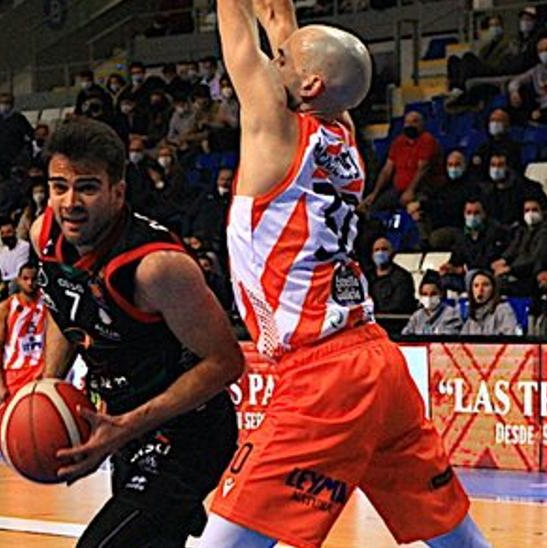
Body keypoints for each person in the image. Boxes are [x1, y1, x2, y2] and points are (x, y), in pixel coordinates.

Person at [204, 1, 485, 546]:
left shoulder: (274, 127)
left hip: (322, 372)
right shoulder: (342, 129)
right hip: (379, 364)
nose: (272, 60)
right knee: (456, 538)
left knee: (226, 543)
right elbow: (280, 21)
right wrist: (279, 20)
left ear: (307, 85)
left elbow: (238, 32)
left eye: (280, 60)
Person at [30, 118, 244, 546]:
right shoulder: (45, 235)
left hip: (189, 433)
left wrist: (126, 426)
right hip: (123, 427)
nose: (70, 202)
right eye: (59, 187)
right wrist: (48, 384)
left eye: (87, 187)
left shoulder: (157, 267)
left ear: (117, 191)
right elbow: (61, 304)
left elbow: (226, 362)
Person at [363, 111, 440, 212]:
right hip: (397, 189)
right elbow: (387, 170)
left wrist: (410, 190)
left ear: (422, 124)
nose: (410, 125)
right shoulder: (398, 142)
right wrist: (374, 193)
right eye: (407, 122)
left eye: (414, 122)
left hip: (421, 189)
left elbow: (423, 169)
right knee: (374, 208)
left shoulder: (427, 140)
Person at [0, 263, 45, 403]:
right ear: (18, 280)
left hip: (41, 369)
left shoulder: (48, 303)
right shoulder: (6, 307)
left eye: (33, 279)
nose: (30, 283)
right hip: (15, 373)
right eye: (25, 279)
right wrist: (0, 384)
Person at [439, 199, 509, 292]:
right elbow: (456, 258)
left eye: (476, 213)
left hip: (488, 276)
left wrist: (462, 269)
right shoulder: (461, 235)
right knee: (443, 280)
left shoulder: (495, 232)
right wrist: (449, 267)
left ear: (484, 214)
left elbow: (490, 261)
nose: (472, 216)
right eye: (469, 212)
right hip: (467, 277)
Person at [493, 198, 547, 297]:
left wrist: (510, 269)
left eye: (534, 210)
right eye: (527, 210)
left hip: (530, 275)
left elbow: (536, 258)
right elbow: (513, 249)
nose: (530, 213)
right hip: (515, 272)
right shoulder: (522, 230)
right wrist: (503, 260)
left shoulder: (546, 233)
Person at [460, 269, 520, 336]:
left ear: (494, 289)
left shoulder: (503, 310)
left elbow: (510, 338)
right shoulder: (472, 316)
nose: (480, 289)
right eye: (476, 285)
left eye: (485, 285)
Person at [0, 92, 34, 173]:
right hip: (0, 160)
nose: (3, 106)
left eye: (6, 103)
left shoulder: (19, 119)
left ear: (11, 104)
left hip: (14, 158)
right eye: (1, 103)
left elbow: (29, 135)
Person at [369, 237, 416, 314]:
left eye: (384, 249)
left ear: (391, 252)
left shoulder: (403, 277)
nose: (380, 253)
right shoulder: (367, 277)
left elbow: (399, 305)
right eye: (376, 250)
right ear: (372, 255)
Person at [0, 220, 31, 286]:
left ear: (15, 231)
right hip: (5, 281)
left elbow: (20, 273)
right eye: (2, 233)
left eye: (9, 232)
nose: (5, 236)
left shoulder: (24, 246)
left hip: (20, 281)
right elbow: (2, 271)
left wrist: (2, 280)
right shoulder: (2, 250)